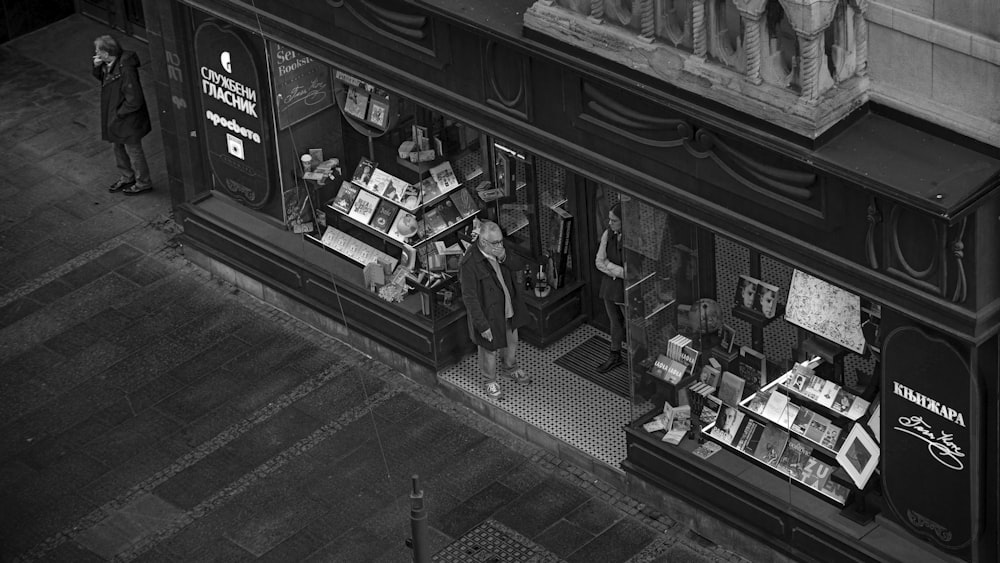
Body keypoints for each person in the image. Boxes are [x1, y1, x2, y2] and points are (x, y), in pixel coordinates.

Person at [459, 220, 531, 400]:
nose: (499, 245)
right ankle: (489, 380)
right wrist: (482, 325)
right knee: (489, 349)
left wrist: (504, 255)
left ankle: (510, 367)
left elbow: (518, 265)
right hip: (489, 314)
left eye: (500, 241)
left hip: (509, 307)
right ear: (483, 242)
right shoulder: (469, 262)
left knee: (512, 341)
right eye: (495, 243)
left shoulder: (500, 249)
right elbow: (470, 298)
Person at [92, 35, 153, 195]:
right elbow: (102, 79)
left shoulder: (125, 69)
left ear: (107, 52)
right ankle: (127, 176)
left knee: (134, 151)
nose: (96, 53)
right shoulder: (108, 64)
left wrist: (119, 114)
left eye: (98, 50)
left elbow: (135, 99)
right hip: (116, 115)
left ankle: (143, 182)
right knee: (117, 147)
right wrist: (97, 67)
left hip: (126, 118)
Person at [595, 204, 626, 373]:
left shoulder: (633, 241)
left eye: (614, 220)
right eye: (609, 219)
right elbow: (599, 262)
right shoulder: (608, 233)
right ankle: (615, 354)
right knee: (614, 321)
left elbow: (633, 273)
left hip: (626, 289)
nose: (610, 223)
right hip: (610, 286)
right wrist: (619, 271)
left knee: (631, 323)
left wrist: (611, 267)